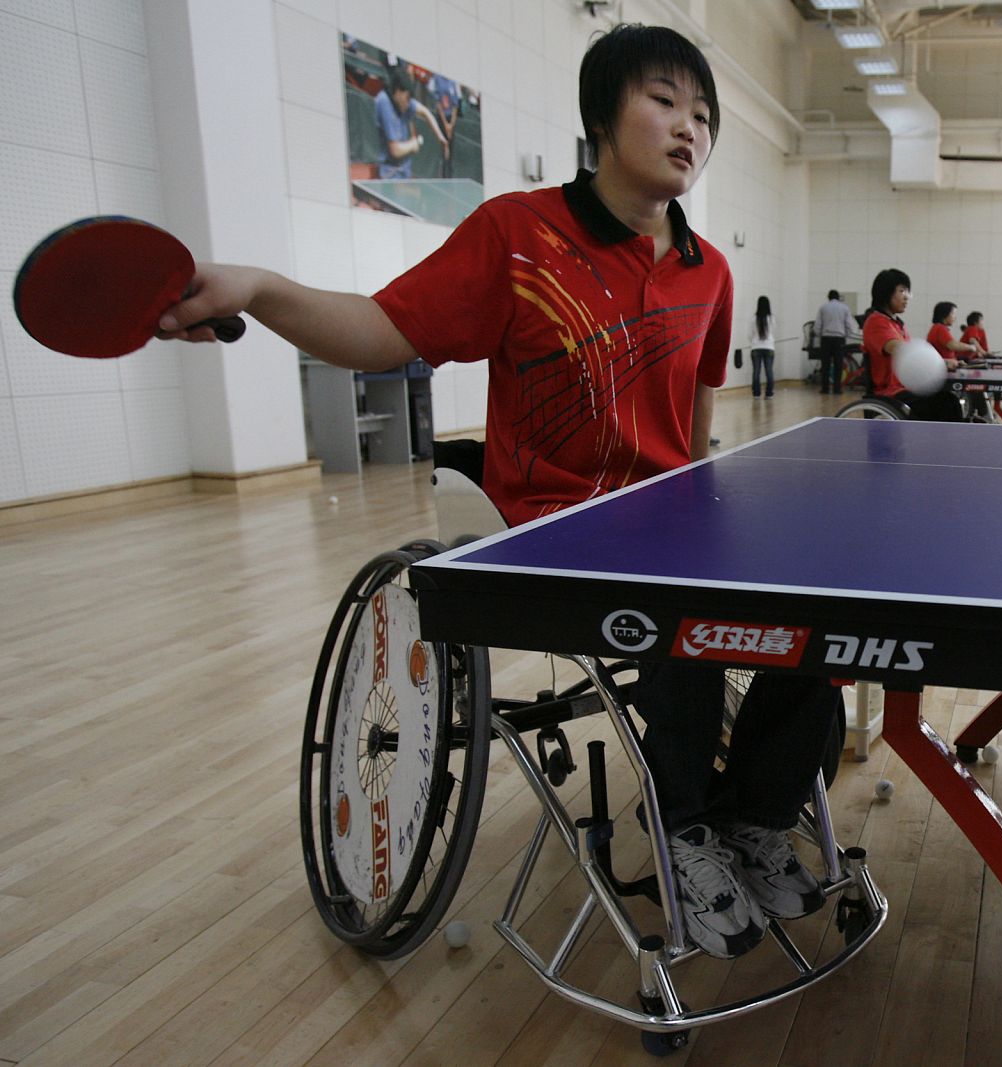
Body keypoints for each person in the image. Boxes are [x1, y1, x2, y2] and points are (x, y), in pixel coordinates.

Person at [157, 23, 836, 961]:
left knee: (831, 596)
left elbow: (694, 429)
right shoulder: (518, 237)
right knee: (680, 606)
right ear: (602, 117)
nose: (691, 127)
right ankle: (682, 832)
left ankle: (754, 814)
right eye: (665, 101)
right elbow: (381, 329)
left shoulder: (708, 269)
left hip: (666, 521)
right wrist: (264, 289)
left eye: (704, 114)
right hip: (552, 530)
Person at [861, 269, 962, 421]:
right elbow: (900, 349)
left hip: (905, 387)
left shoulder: (897, 324)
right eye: (902, 291)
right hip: (890, 393)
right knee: (945, 404)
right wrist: (941, 362)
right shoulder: (876, 322)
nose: (907, 297)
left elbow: (912, 354)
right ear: (885, 293)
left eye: (907, 292)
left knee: (950, 400)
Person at [374, 66, 448, 180]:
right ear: (398, 92)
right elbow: (395, 150)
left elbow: (425, 113)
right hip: (389, 173)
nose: (409, 104)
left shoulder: (404, 101)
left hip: (404, 170)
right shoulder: (384, 102)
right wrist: (413, 144)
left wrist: (440, 137)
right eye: (407, 98)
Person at [815, 289, 853, 395]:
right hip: (839, 339)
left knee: (825, 364)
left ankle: (825, 389)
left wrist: (819, 334)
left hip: (826, 338)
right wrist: (846, 335)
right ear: (838, 297)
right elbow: (849, 325)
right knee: (838, 365)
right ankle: (837, 389)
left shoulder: (823, 307)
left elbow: (817, 325)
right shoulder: (845, 308)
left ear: (828, 297)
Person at [428, 73, 460, 178]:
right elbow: (438, 103)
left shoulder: (453, 81)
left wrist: (451, 125)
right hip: (441, 120)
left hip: (451, 121)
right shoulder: (437, 78)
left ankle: (449, 174)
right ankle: (442, 174)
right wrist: (445, 124)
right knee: (443, 147)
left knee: (450, 149)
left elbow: (455, 105)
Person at [749, 294, 776, 397]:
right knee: (769, 371)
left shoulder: (753, 319)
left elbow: (750, 334)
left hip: (756, 347)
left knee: (756, 372)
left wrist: (754, 342)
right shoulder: (772, 318)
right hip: (769, 347)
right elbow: (773, 332)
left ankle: (756, 393)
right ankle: (769, 393)